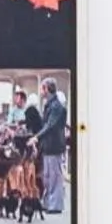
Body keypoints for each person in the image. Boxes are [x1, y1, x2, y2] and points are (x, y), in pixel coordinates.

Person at [35, 77, 69, 214]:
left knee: (54, 176)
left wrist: (36, 137)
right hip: (49, 146)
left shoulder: (56, 107)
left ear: (47, 89)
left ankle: (55, 205)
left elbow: (50, 125)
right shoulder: (50, 105)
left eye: (42, 88)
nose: (40, 91)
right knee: (48, 176)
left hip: (54, 145)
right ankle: (49, 202)